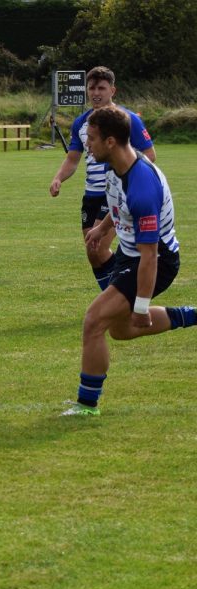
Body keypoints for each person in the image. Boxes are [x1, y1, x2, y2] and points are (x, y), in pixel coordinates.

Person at [62, 106, 195, 416]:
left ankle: (86, 405)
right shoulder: (116, 165)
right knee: (120, 330)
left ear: (110, 141)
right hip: (130, 255)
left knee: (94, 321)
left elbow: (151, 257)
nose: (88, 147)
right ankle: (193, 315)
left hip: (155, 261)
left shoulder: (142, 188)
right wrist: (102, 227)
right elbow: (118, 205)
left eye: (92, 139)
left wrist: (141, 306)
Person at [49, 66, 156, 291]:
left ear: (112, 90)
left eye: (101, 88)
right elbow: (72, 159)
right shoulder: (81, 123)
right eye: (92, 88)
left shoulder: (127, 120)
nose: (96, 93)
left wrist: (129, 181)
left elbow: (149, 155)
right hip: (91, 194)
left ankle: (120, 300)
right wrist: (59, 178)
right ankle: (119, 298)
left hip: (115, 194)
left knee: (98, 248)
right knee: (93, 253)